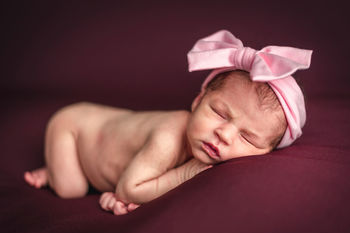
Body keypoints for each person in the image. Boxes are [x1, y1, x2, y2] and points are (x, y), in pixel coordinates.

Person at [24, 30, 312, 215]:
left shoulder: (216, 144)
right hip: (74, 127)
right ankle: (54, 168)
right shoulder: (169, 135)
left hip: (107, 132)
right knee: (70, 188)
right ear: (198, 102)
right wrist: (191, 171)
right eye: (221, 114)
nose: (224, 134)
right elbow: (129, 189)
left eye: (247, 139)